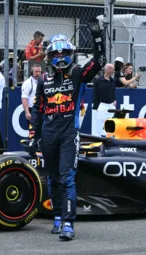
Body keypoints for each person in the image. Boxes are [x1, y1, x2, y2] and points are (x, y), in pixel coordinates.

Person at [27, 18, 106, 241]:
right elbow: (38, 110)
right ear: (50, 56)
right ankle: (58, 217)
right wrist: (34, 136)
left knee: (67, 177)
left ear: (70, 54)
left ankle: (69, 224)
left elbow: (99, 61)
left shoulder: (78, 73)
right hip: (49, 133)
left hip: (70, 132)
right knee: (52, 178)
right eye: (56, 54)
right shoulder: (43, 79)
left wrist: (97, 37)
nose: (60, 58)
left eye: (64, 54)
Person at [92, 64, 116, 137]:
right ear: (108, 70)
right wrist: (96, 107)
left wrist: (115, 99)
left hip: (111, 105)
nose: (114, 71)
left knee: (110, 124)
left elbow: (113, 91)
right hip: (102, 105)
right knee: (99, 125)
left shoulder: (112, 81)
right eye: (113, 69)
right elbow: (95, 94)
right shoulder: (98, 80)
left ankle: (109, 141)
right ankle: (97, 141)